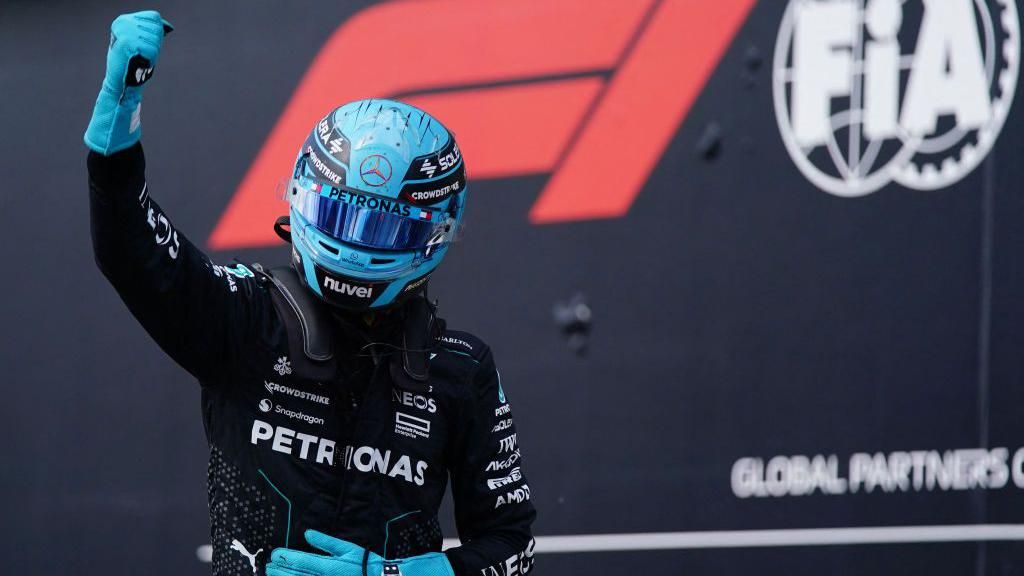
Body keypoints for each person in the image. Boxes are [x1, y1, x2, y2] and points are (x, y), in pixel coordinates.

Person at [84, 11, 536, 576]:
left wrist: (406, 575)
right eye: (337, 215)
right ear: (299, 196)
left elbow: (512, 548)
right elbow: (132, 253)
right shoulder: (247, 316)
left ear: (435, 234)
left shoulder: (461, 369)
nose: (355, 245)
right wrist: (118, 113)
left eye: (383, 229)